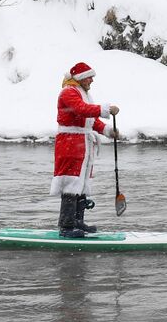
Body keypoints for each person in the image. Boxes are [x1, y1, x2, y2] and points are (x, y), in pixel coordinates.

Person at [51, 61, 119, 238]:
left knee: (80, 183)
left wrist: (107, 131)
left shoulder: (82, 93)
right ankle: (66, 227)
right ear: (80, 78)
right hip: (70, 142)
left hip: (81, 143)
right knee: (70, 182)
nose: (92, 81)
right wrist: (105, 109)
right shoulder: (68, 92)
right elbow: (82, 110)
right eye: (89, 77)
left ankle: (77, 222)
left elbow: (90, 120)